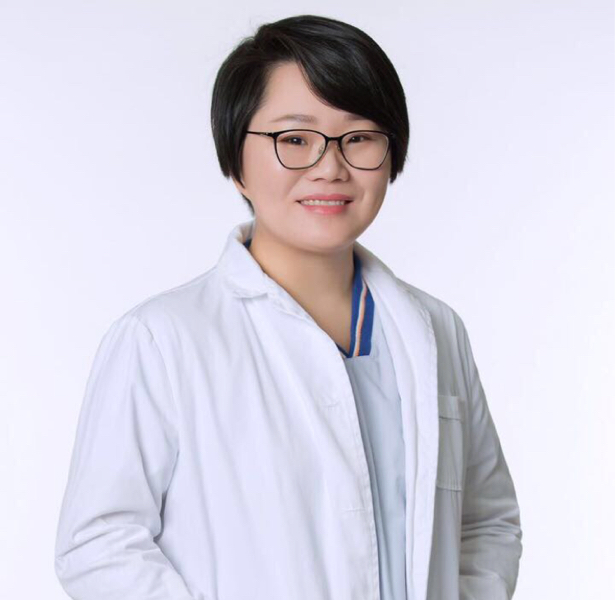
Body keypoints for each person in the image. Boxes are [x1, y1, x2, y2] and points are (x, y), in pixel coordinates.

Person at [54, 14, 522, 600]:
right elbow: (98, 543)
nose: (330, 167)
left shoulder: (435, 329)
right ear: (236, 162)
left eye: (359, 138)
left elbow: (487, 523)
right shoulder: (162, 339)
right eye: (295, 139)